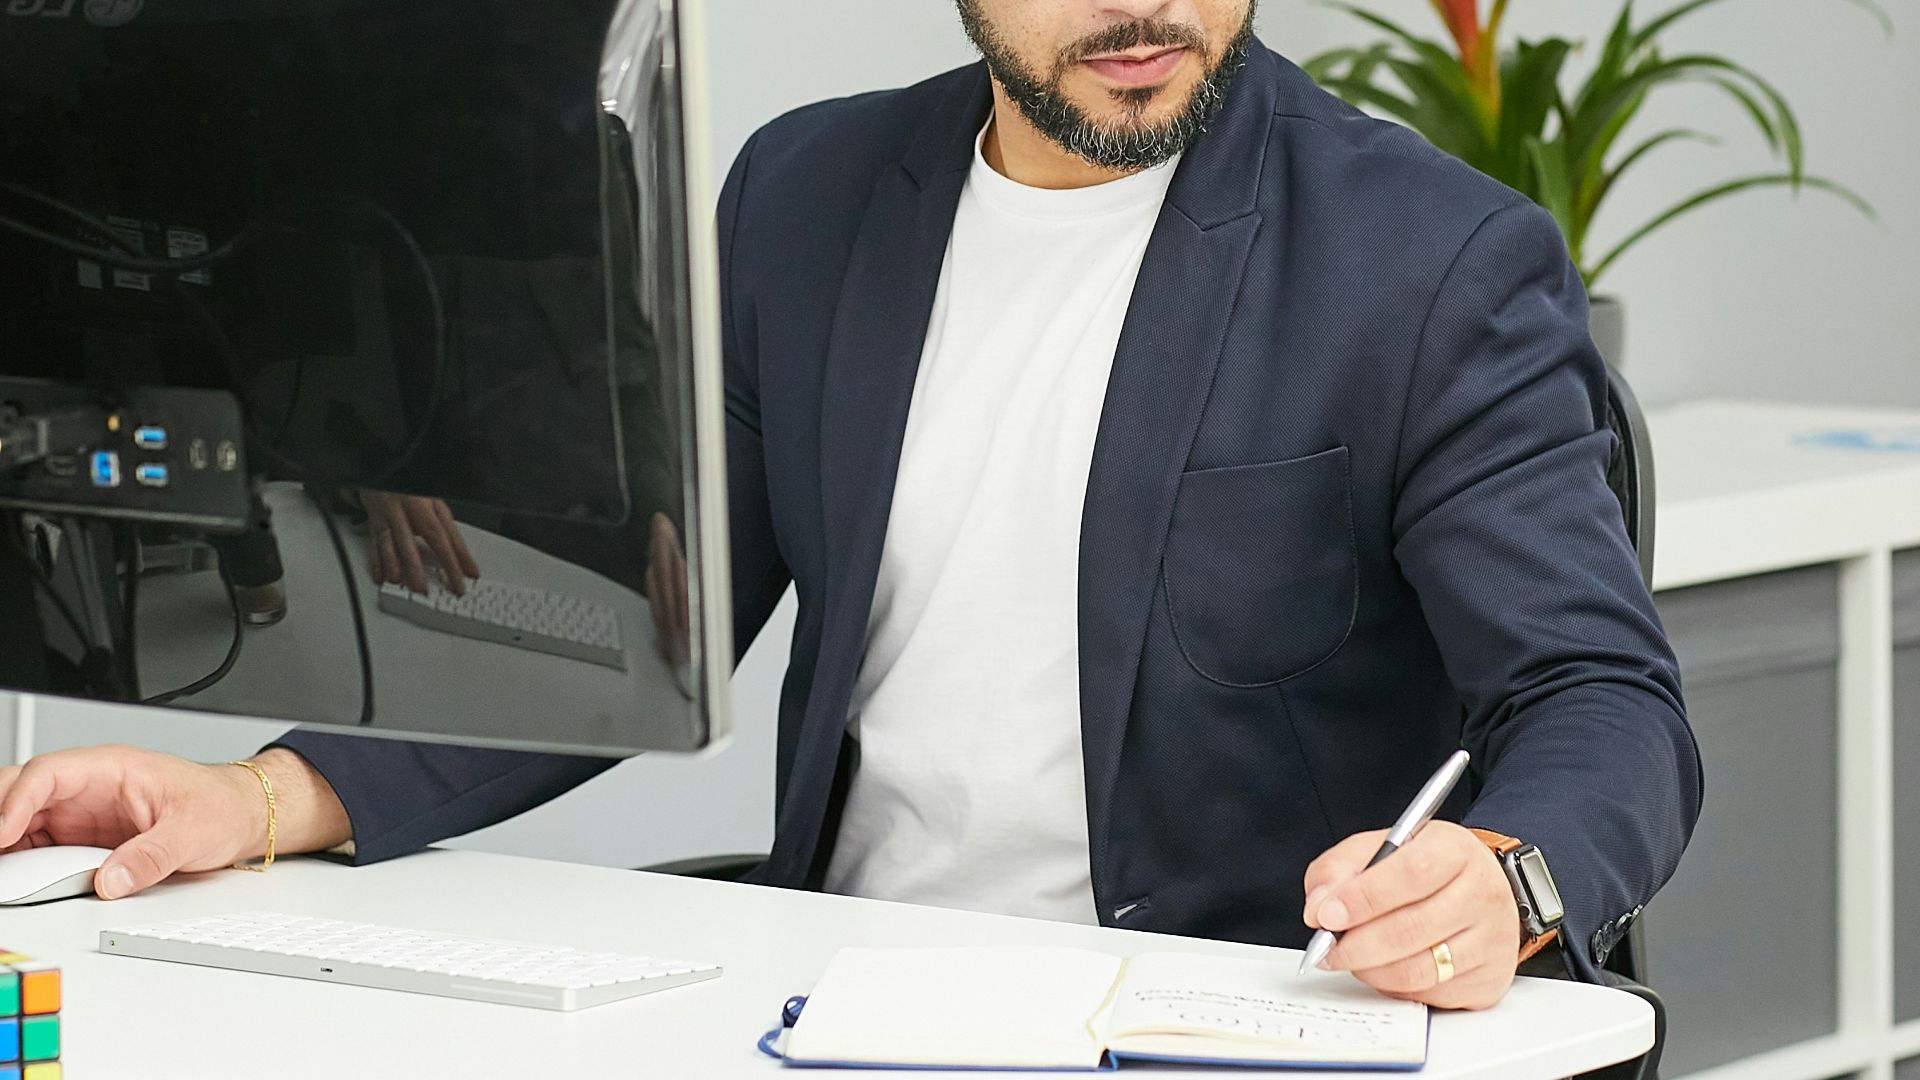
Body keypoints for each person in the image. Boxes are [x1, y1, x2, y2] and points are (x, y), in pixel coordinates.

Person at [0, 0, 1702, 1012]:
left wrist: (1509, 874)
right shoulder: (809, 194)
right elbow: (638, 633)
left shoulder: (1425, 260)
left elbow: (1598, 697)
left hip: (1228, 1012)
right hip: (845, 998)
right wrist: (269, 792)